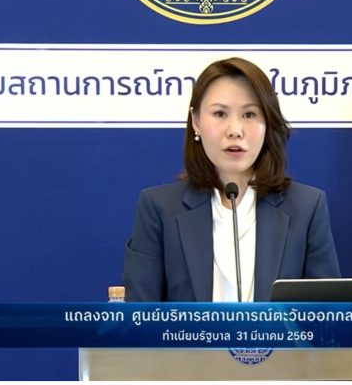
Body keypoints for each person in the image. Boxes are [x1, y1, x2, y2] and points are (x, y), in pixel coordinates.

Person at [123, 57, 340, 302]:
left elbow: (327, 316)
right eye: (219, 113)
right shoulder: (159, 208)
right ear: (196, 122)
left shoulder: (307, 207)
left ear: (267, 123)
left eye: (249, 114)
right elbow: (138, 315)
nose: (235, 130)